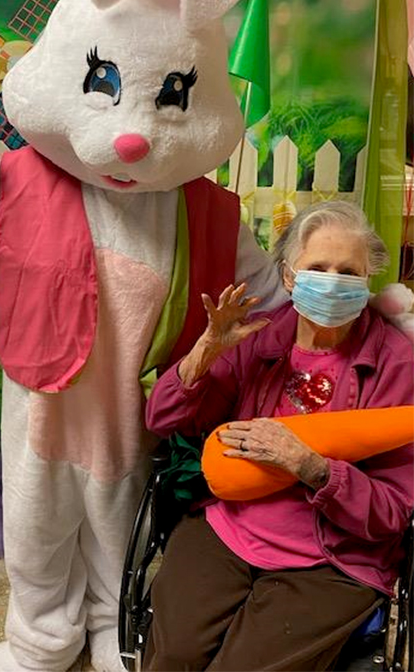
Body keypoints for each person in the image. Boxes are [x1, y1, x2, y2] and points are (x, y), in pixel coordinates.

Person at [144, 200, 414, 672]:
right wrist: (204, 352)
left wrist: (311, 467)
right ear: (290, 277)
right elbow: (164, 420)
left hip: (333, 558)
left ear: (368, 278)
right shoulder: (255, 336)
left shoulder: (399, 365)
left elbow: (392, 514)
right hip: (229, 525)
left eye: (348, 272)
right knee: (172, 656)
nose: (333, 282)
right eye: (318, 268)